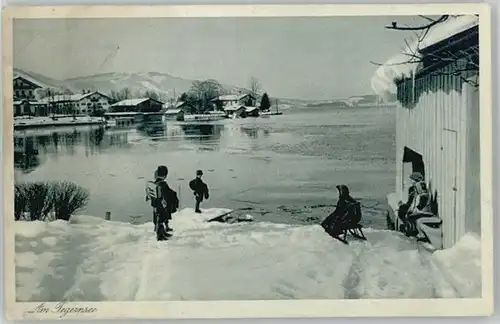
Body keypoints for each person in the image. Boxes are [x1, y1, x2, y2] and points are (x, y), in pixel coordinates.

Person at [145, 165, 179, 241]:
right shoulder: (163, 184)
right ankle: (160, 236)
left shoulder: (154, 183)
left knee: (159, 219)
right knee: (161, 219)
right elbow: (168, 193)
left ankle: (162, 232)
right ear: (165, 175)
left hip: (156, 204)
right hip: (161, 205)